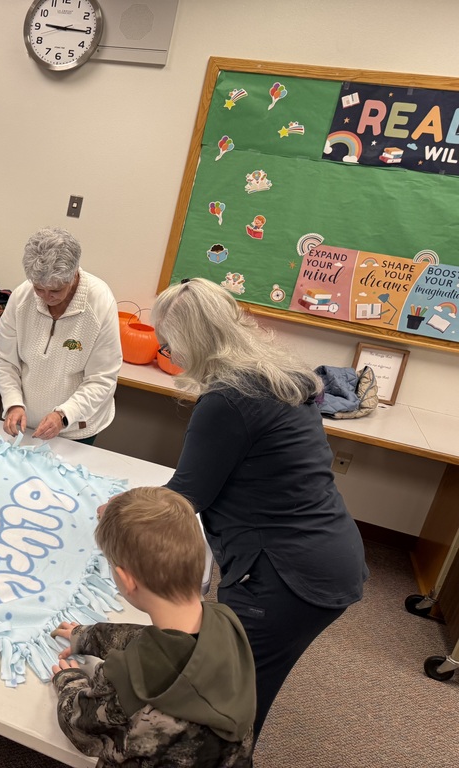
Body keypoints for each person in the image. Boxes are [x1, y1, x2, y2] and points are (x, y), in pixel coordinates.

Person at [153, 277, 367, 740]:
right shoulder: (275, 374)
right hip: (329, 552)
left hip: (288, 575)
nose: (170, 356)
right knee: (247, 686)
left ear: (192, 341)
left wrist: (124, 508)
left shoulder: (228, 399)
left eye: (169, 346)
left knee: (228, 700)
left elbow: (185, 497)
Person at [51, 486, 255, 767]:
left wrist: (69, 681)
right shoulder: (227, 623)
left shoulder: (127, 687)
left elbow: (79, 728)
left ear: (125, 579)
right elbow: (149, 639)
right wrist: (89, 636)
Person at [0, 227, 122, 444]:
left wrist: (64, 415)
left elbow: (102, 378)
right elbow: (6, 360)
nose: (46, 297)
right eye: (39, 289)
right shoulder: (21, 297)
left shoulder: (100, 302)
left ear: (73, 276)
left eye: (55, 290)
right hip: (25, 420)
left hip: (75, 427)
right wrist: (13, 403)